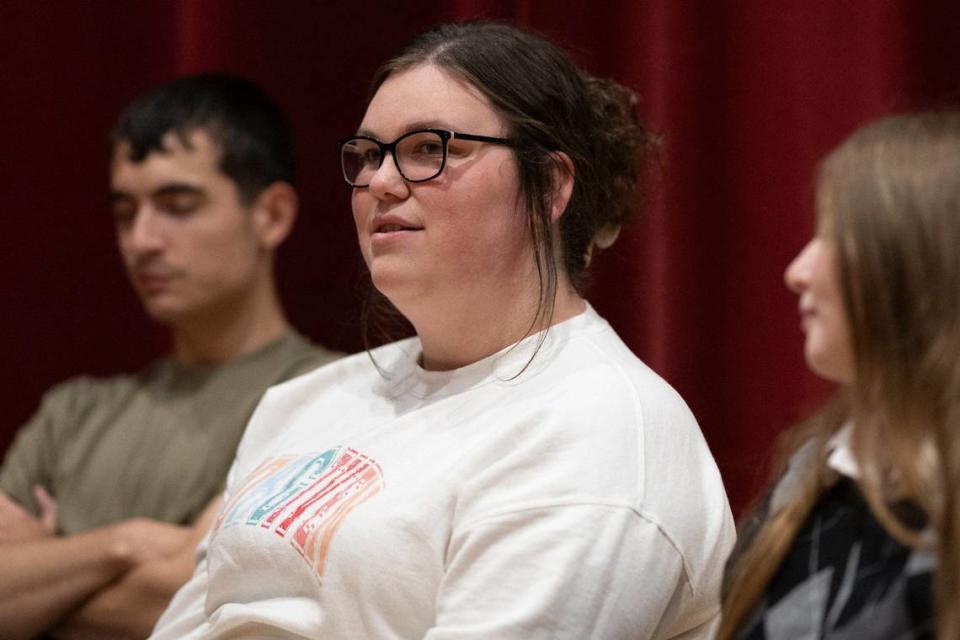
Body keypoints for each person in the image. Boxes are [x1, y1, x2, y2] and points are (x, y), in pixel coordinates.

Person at [151, 22, 734, 639]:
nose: (380, 180)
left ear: (551, 186)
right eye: (369, 154)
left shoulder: (601, 424)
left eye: (431, 149)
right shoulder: (304, 401)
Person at [0, 74, 341, 639]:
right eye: (125, 212)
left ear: (272, 216)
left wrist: (49, 565)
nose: (141, 240)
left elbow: (212, 601)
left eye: (177, 206)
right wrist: (126, 543)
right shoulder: (72, 413)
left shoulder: (324, 394)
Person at [718, 113, 960, 639]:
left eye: (833, 238)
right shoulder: (813, 474)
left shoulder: (940, 523)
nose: (797, 271)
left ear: (914, 272)